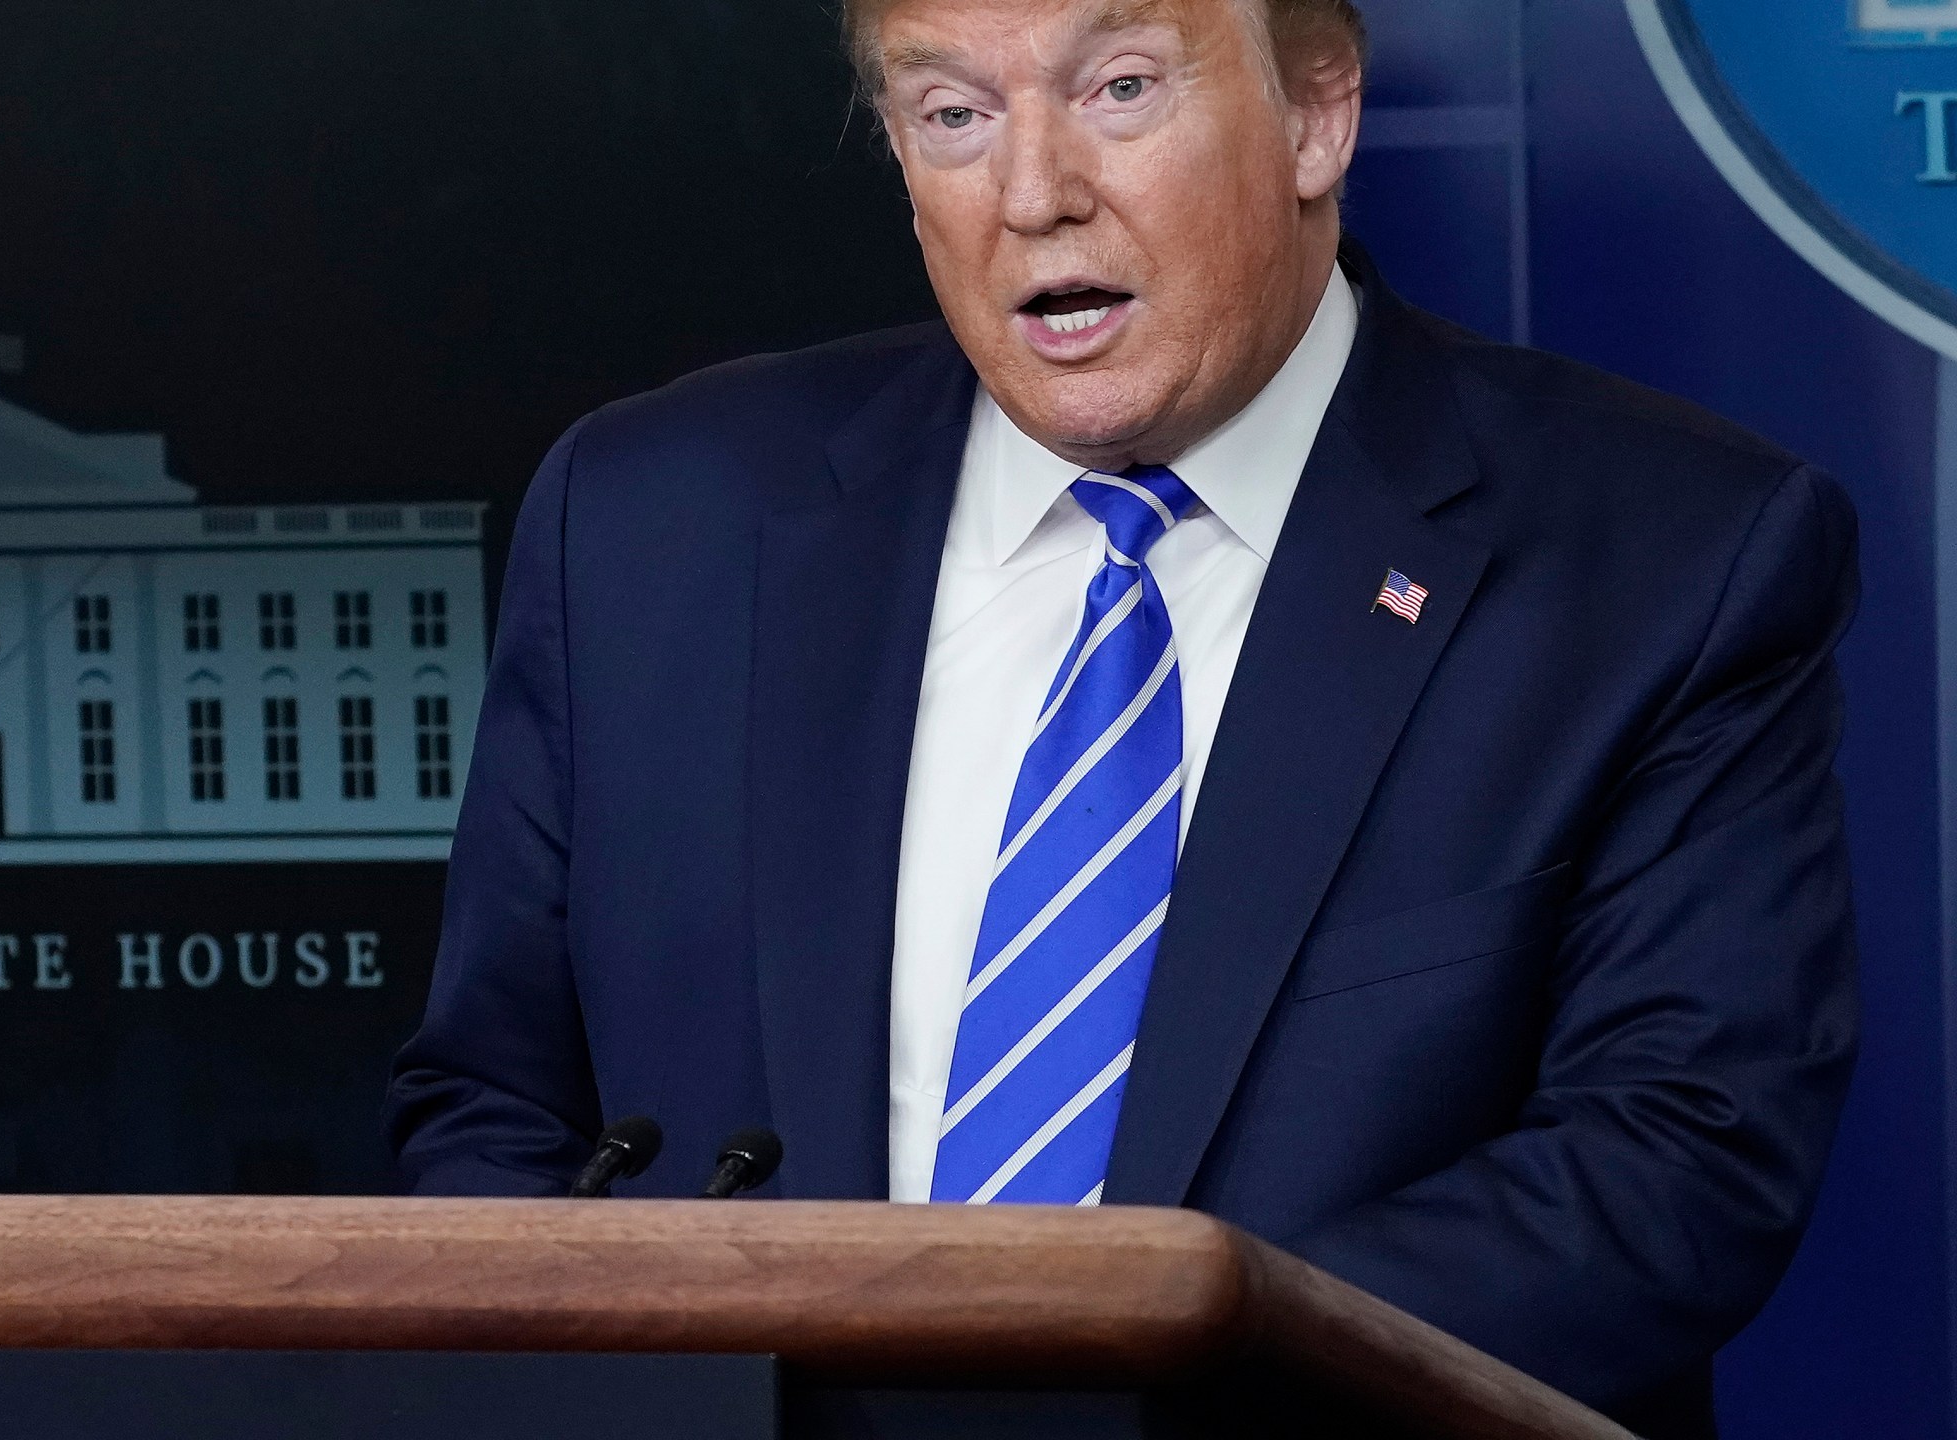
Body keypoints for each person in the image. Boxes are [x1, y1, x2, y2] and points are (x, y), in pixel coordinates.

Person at [385, 0, 1859, 1432]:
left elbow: (1674, 1162)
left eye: (1122, 88)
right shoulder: (651, 522)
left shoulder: (1665, 558)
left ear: (1317, 114)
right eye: (952, 112)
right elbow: (492, 1117)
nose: (1033, 195)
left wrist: (1117, 1387)